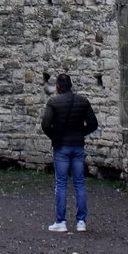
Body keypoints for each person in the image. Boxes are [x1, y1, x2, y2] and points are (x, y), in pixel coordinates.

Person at [40, 72, 98, 232]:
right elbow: (93, 123)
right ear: (71, 86)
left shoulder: (54, 102)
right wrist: (81, 133)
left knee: (61, 183)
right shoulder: (83, 101)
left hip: (61, 147)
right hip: (78, 145)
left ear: (58, 86)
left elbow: (45, 125)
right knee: (79, 183)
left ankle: (61, 221)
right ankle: (81, 222)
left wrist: (55, 136)